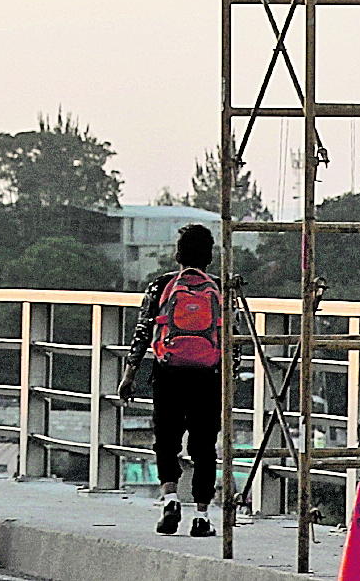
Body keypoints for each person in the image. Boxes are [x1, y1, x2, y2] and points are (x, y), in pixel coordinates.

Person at [126, 224, 226, 538]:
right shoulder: (220, 288)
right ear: (210, 257)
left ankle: (170, 499)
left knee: (166, 439)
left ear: (177, 254)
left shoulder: (160, 286)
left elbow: (143, 332)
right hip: (208, 375)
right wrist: (228, 377)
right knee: (204, 446)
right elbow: (230, 338)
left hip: (168, 372)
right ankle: (202, 516)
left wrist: (130, 374)